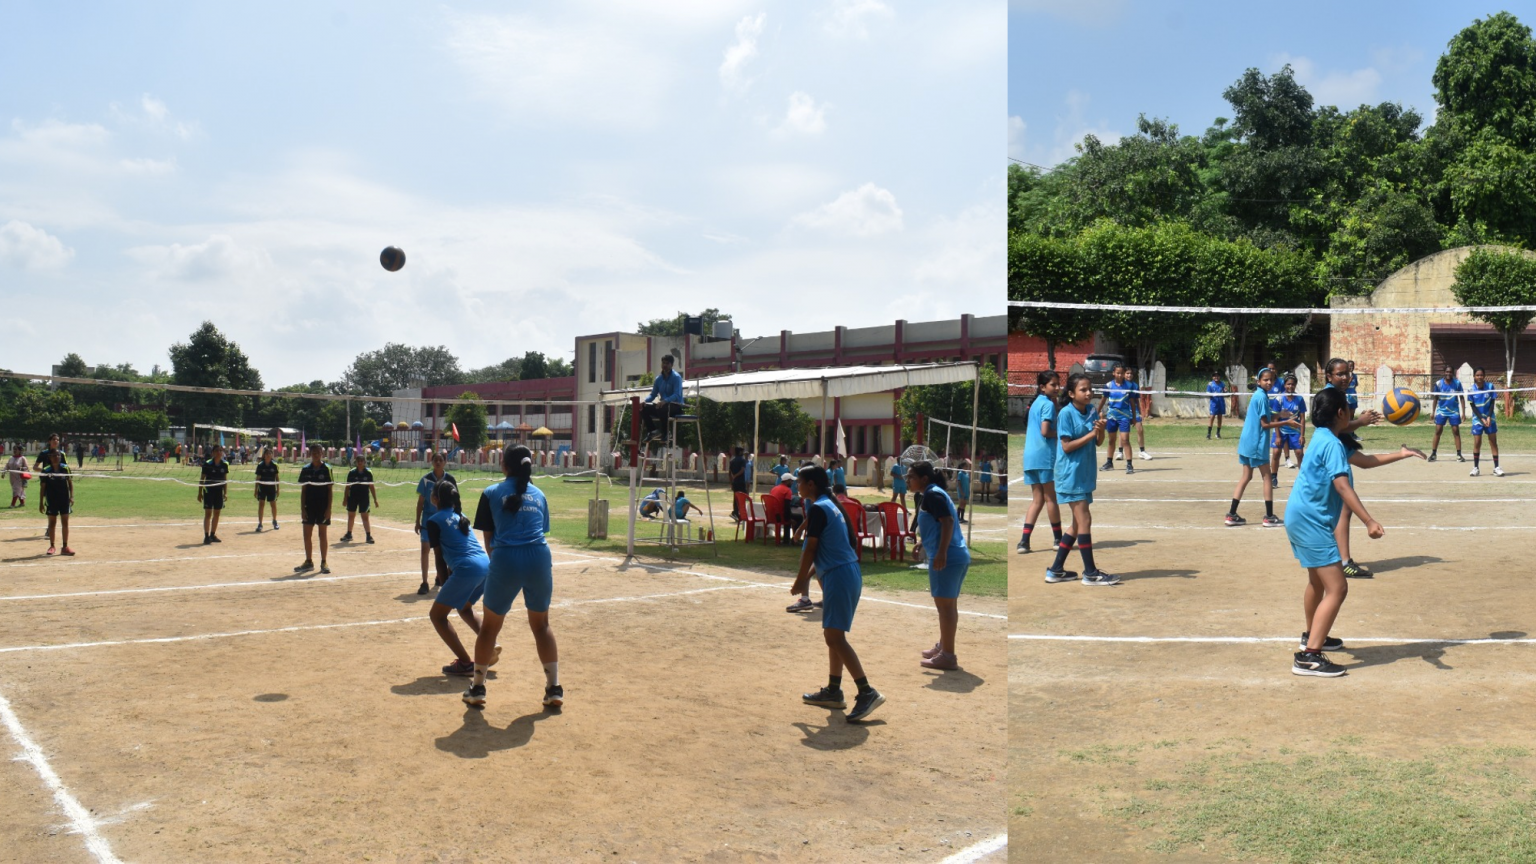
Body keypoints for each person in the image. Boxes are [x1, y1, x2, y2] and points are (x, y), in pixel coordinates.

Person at [1287, 387, 1423, 677]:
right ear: (1340, 413)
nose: (1352, 413)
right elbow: (1342, 485)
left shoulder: (1325, 438)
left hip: (1299, 515)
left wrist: (1402, 454)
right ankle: (1309, 656)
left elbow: (1367, 461)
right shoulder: (1333, 445)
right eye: (1349, 409)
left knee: (1317, 583)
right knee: (1338, 587)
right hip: (1312, 521)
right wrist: (1369, 521)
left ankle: (1312, 636)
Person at [465, 445, 562, 710]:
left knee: (489, 628)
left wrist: (501, 566)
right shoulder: (540, 494)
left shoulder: (491, 492)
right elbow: (541, 530)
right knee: (541, 625)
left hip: (506, 558)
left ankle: (477, 688)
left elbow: (489, 542)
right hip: (538, 557)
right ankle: (553, 688)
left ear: (504, 466)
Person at [793, 466, 885, 723]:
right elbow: (838, 545)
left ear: (811, 484)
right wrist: (809, 576)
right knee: (833, 636)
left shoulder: (819, 508)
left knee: (834, 637)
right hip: (843, 573)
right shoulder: (829, 505)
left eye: (799, 482)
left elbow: (811, 548)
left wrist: (801, 579)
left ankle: (867, 692)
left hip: (839, 576)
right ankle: (834, 690)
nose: (796, 487)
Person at [424, 479, 501, 677]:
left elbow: (440, 559)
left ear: (435, 499)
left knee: (437, 616)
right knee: (464, 607)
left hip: (468, 568)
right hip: (485, 565)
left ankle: (466, 663)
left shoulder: (434, 520)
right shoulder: (461, 515)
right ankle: (491, 644)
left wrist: (444, 585)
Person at [1046, 373, 1115, 585]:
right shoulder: (1065, 414)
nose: (1088, 393)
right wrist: (1091, 434)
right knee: (1085, 520)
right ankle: (1090, 573)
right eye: (1083, 390)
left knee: (1077, 524)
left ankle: (1055, 570)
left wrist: (1100, 431)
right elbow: (1066, 446)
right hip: (1070, 474)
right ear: (1071, 393)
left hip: (1084, 474)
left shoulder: (1093, 410)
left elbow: (1099, 442)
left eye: (1090, 389)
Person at [1319, 358, 1385, 579]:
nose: (1345, 377)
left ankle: (1341, 559)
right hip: (1336, 452)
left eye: (1347, 373)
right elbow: (1339, 425)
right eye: (1340, 374)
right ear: (1329, 376)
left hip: (1340, 449)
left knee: (1343, 509)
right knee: (1342, 508)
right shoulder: (1331, 396)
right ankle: (1342, 561)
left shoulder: (1339, 394)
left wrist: (1359, 421)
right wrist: (1360, 422)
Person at [908, 461, 970, 670]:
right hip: (955, 555)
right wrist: (923, 542)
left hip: (948, 557)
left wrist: (941, 552)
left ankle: (948, 655)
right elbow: (938, 524)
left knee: (945, 608)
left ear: (924, 479)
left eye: (911, 477)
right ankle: (944, 646)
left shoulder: (932, 494)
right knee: (948, 606)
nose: (907, 480)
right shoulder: (934, 493)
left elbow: (948, 522)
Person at [1225, 368, 1298, 528]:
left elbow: (1264, 418)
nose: (1269, 382)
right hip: (1256, 443)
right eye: (1265, 380)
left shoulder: (1259, 395)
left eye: (1271, 379)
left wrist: (1280, 415)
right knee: (1267, 477)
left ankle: (1231, 515)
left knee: (1246, 476)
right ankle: (1269, 517)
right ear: (1258, 381)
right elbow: (1265, 424)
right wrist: (1286, 422)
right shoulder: (1262, 397)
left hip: (1247, 442)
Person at [1019, 371, 1063, 555]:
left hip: (1030, 457)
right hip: (1044, 456)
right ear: (1042, 387)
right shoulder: (1047, 404)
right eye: (1053, 384)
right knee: (1050, 498)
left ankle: (1024, 542)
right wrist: (1061, 433)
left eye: (1058, 384)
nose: (1057, 387)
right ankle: (1058, 539)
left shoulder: (1035, 403)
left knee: (1037, 500)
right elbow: (1045, 431)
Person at [413, 452, 457, 595]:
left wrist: (456, 518)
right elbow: (420, 502)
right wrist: (417, 521)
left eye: (440, 460)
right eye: (436, 460)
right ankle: (424, 582)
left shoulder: (450, 479)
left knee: (444, 550)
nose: (438, 462)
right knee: (425, 549)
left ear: (445, 462)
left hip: (444, 519)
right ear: (432, 462)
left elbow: (456, 501)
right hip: (428, 520)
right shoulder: (425, 480)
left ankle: (441, 577)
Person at [295, 443, 333, 575]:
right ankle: (309, 561)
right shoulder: (306, 469)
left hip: (322, 506)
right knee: (307, 534)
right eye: (314, 452)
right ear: (310, 454)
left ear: (322, 453)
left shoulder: (327, 469)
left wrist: (329, 509)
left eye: (318, 452)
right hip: (309, 505)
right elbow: (303, 491)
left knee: (322, 534)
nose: (316, 454)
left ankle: (324, 562)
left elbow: (330, 490)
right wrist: (302, 509)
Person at [1096, 364, 1135, 475]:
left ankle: (1129, 464)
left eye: (1121, 373)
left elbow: (1132, 402)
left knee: (1125, 440)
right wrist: (1097, 411)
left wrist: (1134, 417)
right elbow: (1103, 399)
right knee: (1111, 440)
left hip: (1124, 417)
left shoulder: (1129, 385)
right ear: (1113, 373)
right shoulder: (1108, 385)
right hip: (1111, 416)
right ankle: (1109, 462)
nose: (1119, 375)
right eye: (1117, 373)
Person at [1268, 375, 1307, 481]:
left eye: (1293, 384)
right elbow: (1275, 418)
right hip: (1280, 430)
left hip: (1295, 431)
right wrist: (1277, 436)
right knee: (1276, 453)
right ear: (1284, 385)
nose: (1291, 386)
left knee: (1299, 453)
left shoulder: (1299, 399)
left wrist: (1302, 435)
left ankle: (1302, 478)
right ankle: (1273, 477)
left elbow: (1302, 418)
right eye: (1288, 384)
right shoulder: (1279, 399)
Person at [640, 354, 685, 442]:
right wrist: (644, 401)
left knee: (662, 407)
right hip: (662, 406)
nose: (664, 365)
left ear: (671, 365)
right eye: (663, 363)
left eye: (667, 363)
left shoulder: (676, 377)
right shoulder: (658, 379)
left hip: (675, 406)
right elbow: (653, 394)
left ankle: (665, 433)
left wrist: (665, 401)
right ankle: (653, 431)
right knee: (643, 408)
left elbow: (677, 395)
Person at [1468, 367, 1504, 477]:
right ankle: (1476, 468)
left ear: (1484, 376)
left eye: (1481, 375)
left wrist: (1488, 416)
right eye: (1477, 375)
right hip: (1477, 419)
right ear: (1474, 376)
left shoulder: (1490, 387)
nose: (1479, 377)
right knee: (1477, 442)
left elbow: (1492, 403)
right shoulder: (1471, 389)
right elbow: (1473, 406)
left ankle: (1496, 467)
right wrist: (1481, 418)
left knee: (1493, 442)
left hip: (1490, 419)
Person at [38, 449, 73, 555]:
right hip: (51, 500)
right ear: (50, 457)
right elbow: (43, 487)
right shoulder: (46, 470)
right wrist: (41, 502)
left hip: (64, 499)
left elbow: (70, 483)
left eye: (58, 455)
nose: (56, 457)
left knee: (65, 522)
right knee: (52, 523)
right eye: (54, 455)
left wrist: (72, 497)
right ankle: (52, 546)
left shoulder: (65, 468)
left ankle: (65, 546)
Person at [1429, 365, 1466, 463]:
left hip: (1454, 411)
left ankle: (1459, 454)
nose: (1448, 374)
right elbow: (1435, 398)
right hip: (1442, 411)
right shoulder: (1438, 384)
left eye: (1450, 372)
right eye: (1447, 372)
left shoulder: (1457, 383)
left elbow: (1461, 398)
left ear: (1452, 373)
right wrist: (1433, 412)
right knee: (1438, 430)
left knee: (1456, 431)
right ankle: (1433, 454)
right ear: (1444, 372)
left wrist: (1463, 412)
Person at [341, 454, 378, 543]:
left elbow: (371, 486)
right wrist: (345, 499)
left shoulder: (368, 472)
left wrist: (375, 499)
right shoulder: (352, 472)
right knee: (351, 515)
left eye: (362, 461)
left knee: (365, 516)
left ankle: (368, 536)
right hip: (352, 497)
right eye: (358, 461)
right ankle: (349, 534)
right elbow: (347, 487)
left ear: (364, 462)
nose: (360, 463)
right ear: (356, 462)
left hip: (364, 497)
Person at [198, 444, 229, 545]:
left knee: (217, 513)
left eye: (220, 450)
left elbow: (225, 480)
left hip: (219, 491)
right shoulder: (207, 464)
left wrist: (225, 493)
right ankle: (206, 536)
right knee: (208, 513)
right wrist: (199, 492)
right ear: (213, 453)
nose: (219, 452)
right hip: (208, 491)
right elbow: (202, 478)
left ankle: (212, 534)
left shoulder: (224, 464)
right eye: (217, 451)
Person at [254, 446, 280, 531]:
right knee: (261, 504)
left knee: (273, 504)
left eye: (270, 453)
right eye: (267, 454)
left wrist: (278, 489)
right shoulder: (260, 465)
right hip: (262, 488)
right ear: (264, 455)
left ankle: (275, 521)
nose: (268, 455)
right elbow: (257, 478)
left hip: (271, 488)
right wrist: (256, 490)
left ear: (272, 455)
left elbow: (277, 478)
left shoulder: (274, 465)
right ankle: (260, 524)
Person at [1206, 372, 1229, 439]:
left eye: (1217, 376)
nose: (1216, 377)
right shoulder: (1210, 384)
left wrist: (1225, 391)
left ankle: (1218, 433)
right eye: (1214, 376)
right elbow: (1207, 393)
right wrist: (1213, 394)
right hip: (1214, 403)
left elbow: (1225, 392)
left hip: (1221, 402)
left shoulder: (1222, 384)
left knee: (1220, 417)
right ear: (1212, 377)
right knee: (1212, 417)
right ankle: (1209, 434)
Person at [728, 447, 748, 520]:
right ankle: (739, 513)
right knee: (743, 497)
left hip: (735, 482)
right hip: (741, 482)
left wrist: (731, 482)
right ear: (739, 452)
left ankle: (736, 512)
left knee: (735, 497)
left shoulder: (732, 461)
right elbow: (742, 470)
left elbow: (729, 473)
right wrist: (736, 475)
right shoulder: (742, 460)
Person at [954, 458, 972, 524]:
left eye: (967, 466)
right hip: (961, 490)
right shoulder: (960, 473)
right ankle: (957, 517)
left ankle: (962, 518)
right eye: (965, 466)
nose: (966, 467)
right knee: (961, 504)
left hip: (966, 490)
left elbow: (969, 481)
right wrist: (961, 491)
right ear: (962, 467)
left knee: (964, 504)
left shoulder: (966, 474)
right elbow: (958, 482)